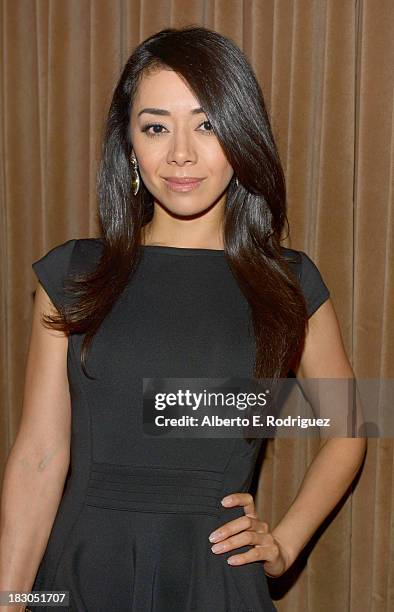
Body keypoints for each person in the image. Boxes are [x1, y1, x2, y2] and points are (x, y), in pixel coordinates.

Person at [0, 26, 367, 612]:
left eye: (207, 124)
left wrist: (285, 544)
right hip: (76, 574)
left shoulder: (288, 282)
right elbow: (40, 454)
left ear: (242, 135)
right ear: (129, 144)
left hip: (214, 579)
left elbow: (349, 429)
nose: (181, 154)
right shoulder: (73, 274)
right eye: (155, 127)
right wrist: (12, 599)